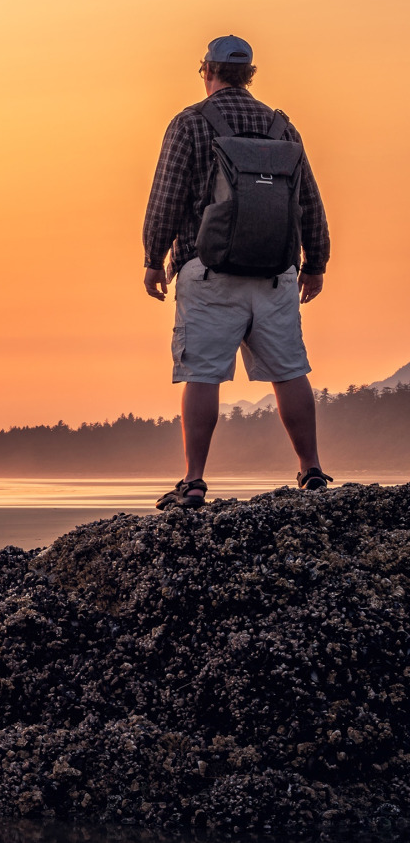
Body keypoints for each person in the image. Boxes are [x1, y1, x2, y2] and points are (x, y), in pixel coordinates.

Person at [142, 35, 331, 509]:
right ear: (250, 74)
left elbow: (165, 198)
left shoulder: (189, 123)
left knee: (202, 375)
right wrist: (316, 264)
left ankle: (194, 480)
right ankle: (311, 471)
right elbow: (308, 199)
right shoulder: (281, 126)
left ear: (206, 70)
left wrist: (153, 258)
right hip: (275, 274)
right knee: (289, 372)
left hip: (208, 273)